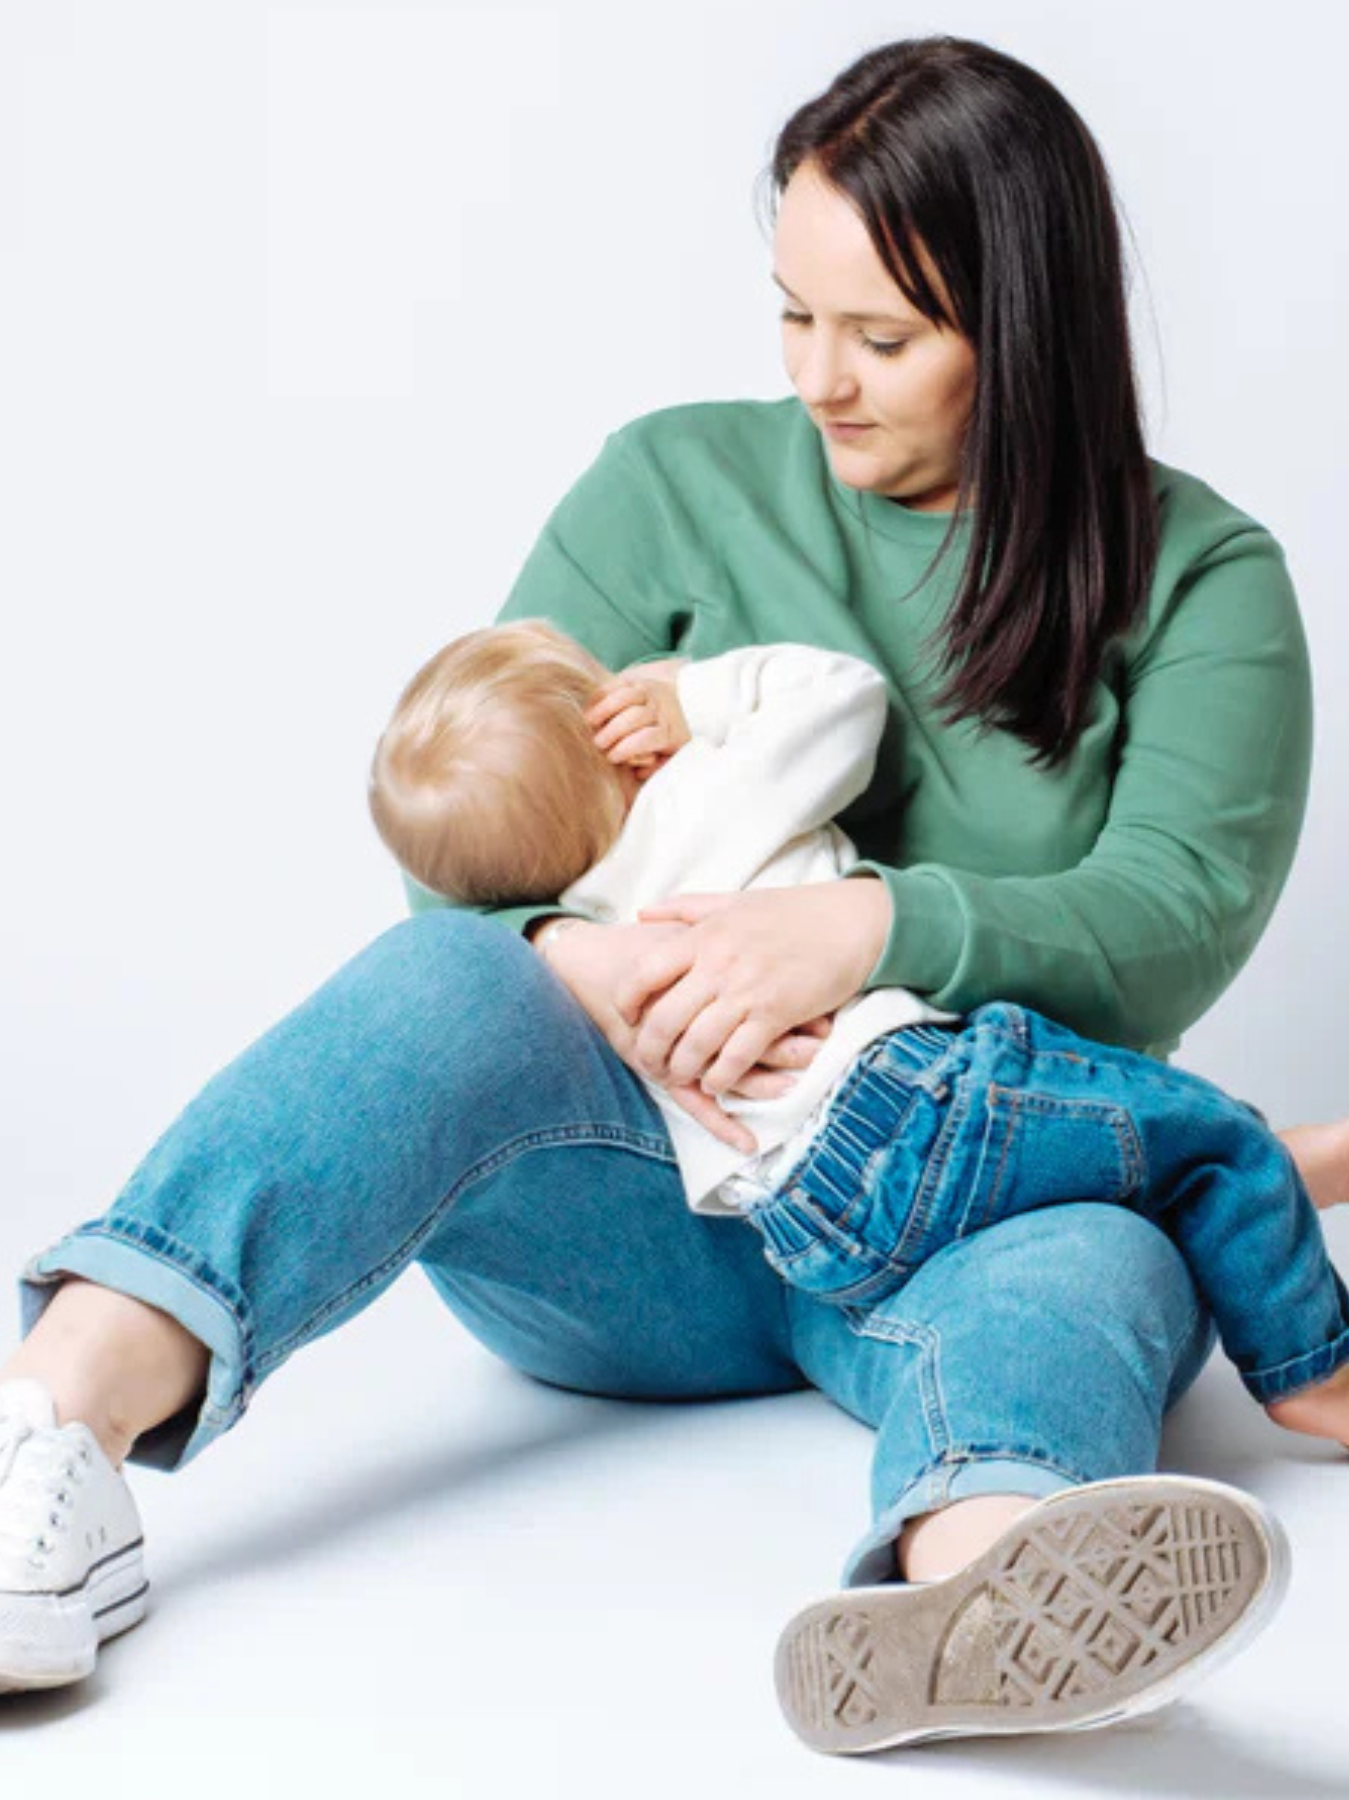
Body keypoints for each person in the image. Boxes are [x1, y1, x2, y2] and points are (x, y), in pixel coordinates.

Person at [2, 32, 1346, 1752]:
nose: (818, 381)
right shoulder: (662, 485)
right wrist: (594, 958)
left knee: (1092, 1249)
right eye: (791, 316)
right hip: (629, 1217)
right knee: (445, 989)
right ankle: (50, 1451)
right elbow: (470, 859)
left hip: (961, 1202)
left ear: (1026, 330)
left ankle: (986, 1577)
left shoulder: (1202, 581)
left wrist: (868, 930)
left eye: (882, 336)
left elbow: (1168, 909)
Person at [367, 620, 1349, 1445]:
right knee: (1207, 1139)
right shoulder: (698, 801)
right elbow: (842, 698)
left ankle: (1278, 1172)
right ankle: (1310, 1368)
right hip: (908, 1100)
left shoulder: (585, 947)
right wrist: (691, 696)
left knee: (1111, 1153)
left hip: (804, 1224)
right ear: (624, 751)